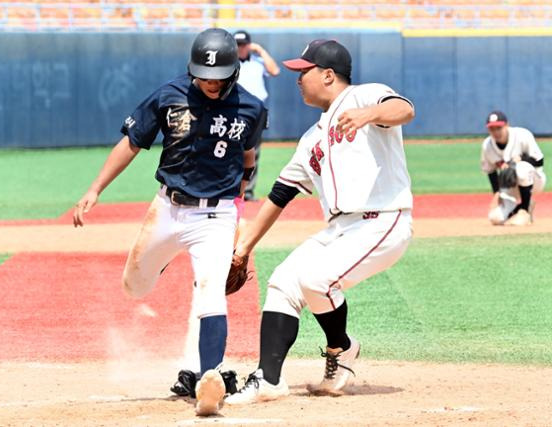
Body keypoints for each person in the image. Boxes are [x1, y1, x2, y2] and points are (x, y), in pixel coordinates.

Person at [72, 28, 267, 416]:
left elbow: (248, 157)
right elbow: (131, 143)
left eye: (218, 76)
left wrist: (239, 206)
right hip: (167, 208)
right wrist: (95, 189)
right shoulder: (169, 95)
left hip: (215, 215)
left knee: (211, 293)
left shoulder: (251, 108)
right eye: (203, 75)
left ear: (234, 72)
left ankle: (209, 377)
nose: (210, 82)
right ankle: (162, 260)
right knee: (134, 286)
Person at [223, 39, 415, 405]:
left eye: (303, 72)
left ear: (328, 75)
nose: (297, 79)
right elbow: (279, 195)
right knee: (282, 281)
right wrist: (243, 247)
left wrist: (368, 114)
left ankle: (340, 349)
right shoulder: (311, 137)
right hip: (341, 229)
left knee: (316, 279)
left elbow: (403, 109)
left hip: (384, 221)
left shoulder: (364, 96)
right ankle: (269, 379)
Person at [233, 30, 280, 201]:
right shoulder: (229, 64)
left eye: (243, 45)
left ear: (249, 45)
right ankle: (231, 189)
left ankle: (248, 192)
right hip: (236, 110)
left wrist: (260, 50)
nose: (240, 48)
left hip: (257, 112)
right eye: (237, 45)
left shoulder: (258, 62)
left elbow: (275, 71)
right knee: (233, 150)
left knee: (254, 151)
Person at [482, 111, 546, 226]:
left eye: (499, 127)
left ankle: (524, 211)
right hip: (510, 186)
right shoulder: (487, 145)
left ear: (507, 125)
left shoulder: (522, 135)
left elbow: (539, 160)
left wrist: (521, 159)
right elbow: (491, 171)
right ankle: (526, 204)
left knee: (521, 168)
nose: (496, 132)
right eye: (492, 129)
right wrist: (497, 194)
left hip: (534, 180)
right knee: (495, 218)